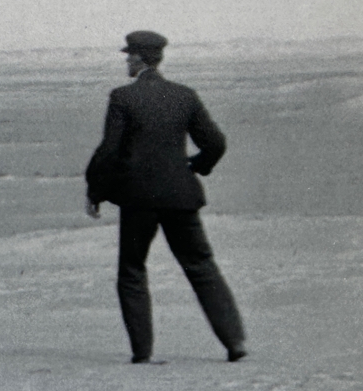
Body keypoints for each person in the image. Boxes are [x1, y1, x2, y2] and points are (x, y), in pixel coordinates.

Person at [86, 31, 247, 364]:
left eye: (129, 56)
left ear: (140, 59)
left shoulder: (122, 97)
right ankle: (235, 343)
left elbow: (108, 151)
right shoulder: (184, 96)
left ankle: (142, 353)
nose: (126, 61)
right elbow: (215, 143)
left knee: (132, 270)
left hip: (138, 198)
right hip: (180, 196)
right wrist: (193, 166)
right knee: (202, 267)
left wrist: (95, 190)